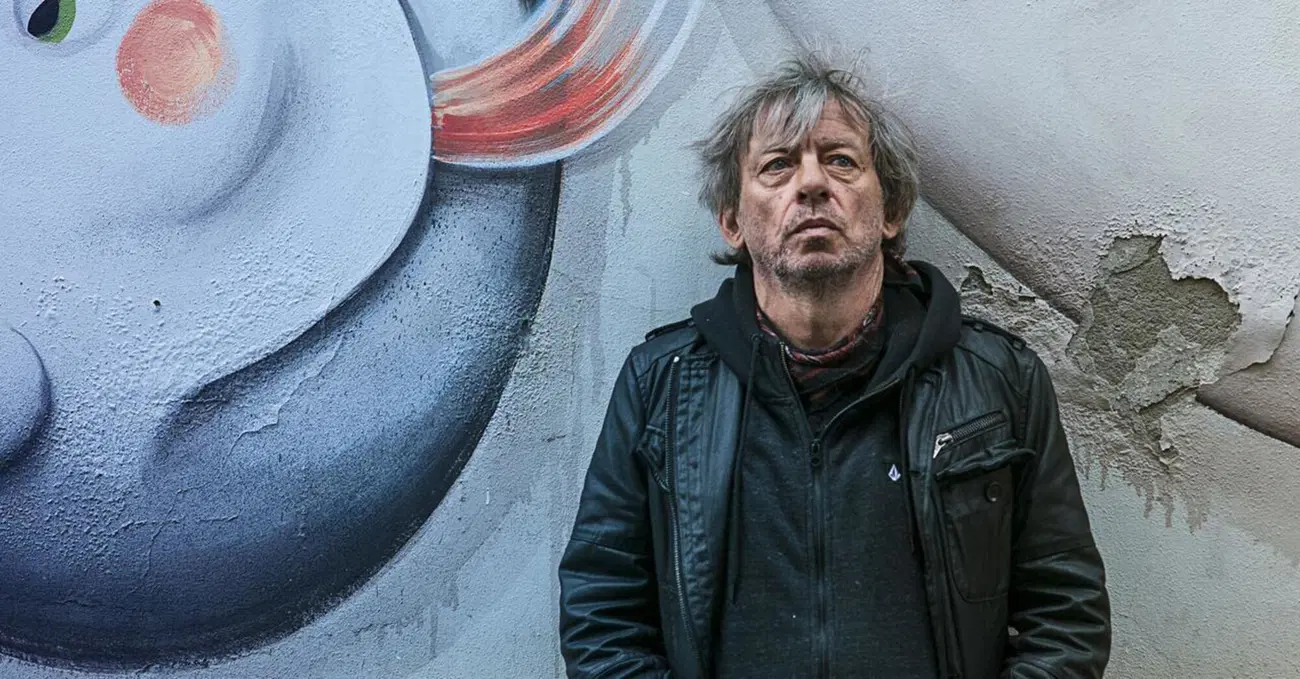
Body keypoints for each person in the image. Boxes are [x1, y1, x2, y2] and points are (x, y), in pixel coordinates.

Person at [557, 51, 1111, 679]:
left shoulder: (997, 381)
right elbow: (601, 612)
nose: (812, 184)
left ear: (891, 211)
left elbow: (1066, 615)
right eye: (777, 165)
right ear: (733, 221)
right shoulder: (661, 385)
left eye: (841, 160)